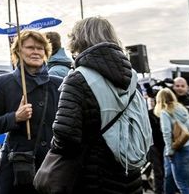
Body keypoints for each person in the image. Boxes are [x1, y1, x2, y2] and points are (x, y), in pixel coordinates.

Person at [45, 17, 149, 194]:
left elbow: (66, 135)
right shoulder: (131, 76)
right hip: (129, 174)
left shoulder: (77, 78)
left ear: (78, 40)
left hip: (92, 178)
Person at [0, 30, 62, 194]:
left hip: (49, 167)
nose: (36, 52)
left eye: (40, 48)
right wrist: (15, 117)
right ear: (18, 51)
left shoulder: (58, 84)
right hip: (16, 167)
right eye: (30, 47)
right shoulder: (4, 82)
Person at [157, 88, 189, 194]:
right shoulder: (181, 107)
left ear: (160, 100)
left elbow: (166, 133)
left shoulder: (165, 112)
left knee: (183, 185)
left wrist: (169, 151)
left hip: (180, 150)